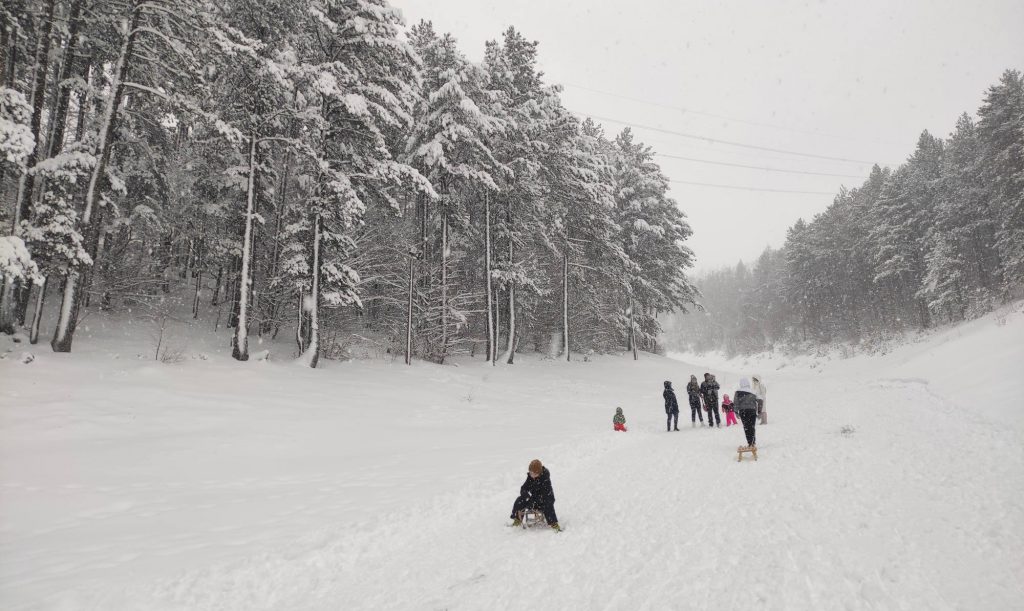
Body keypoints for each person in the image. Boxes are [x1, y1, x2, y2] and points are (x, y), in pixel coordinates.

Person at [510, 459, 560, 531]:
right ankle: (517, 520)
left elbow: (545, 495)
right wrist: (526, 496)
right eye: (530, 472)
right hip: (533, 499)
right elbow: (524, 488)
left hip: (544, 499)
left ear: (538, 473)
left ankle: (554, 524)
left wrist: (533, 501)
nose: (531, 475)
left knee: (548, 504)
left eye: (533, 473)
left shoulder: (545, 479)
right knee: (520, 500)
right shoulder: (530, 477)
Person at [734, 378, 759, 448]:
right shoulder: (753, 391)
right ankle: (753, 442)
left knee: (746, 427)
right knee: (752, 427)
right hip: (752, 411)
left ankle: (750, 442)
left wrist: (736, 412)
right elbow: (758, 401)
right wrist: (758, 411)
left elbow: (736, 402)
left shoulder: (738, 392)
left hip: (743, 411)